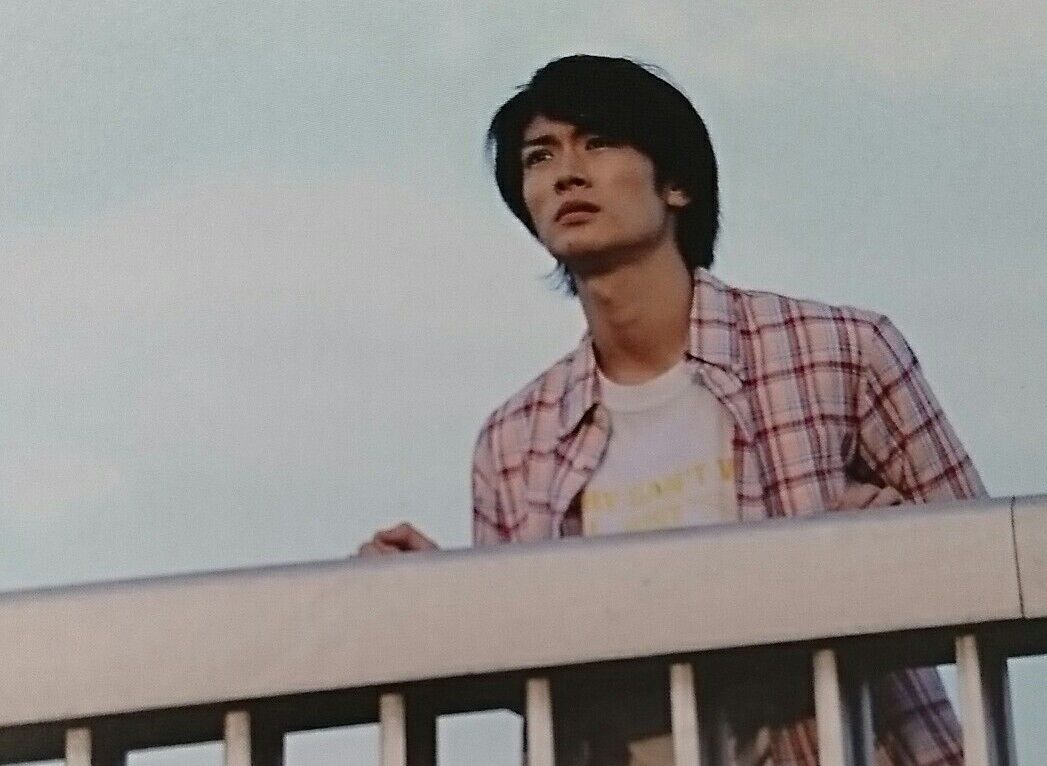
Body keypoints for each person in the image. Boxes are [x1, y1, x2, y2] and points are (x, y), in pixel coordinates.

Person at [359, 55, 985, 766]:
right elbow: (526, 670)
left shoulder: (837, 351)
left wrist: (877, 552)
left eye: (598, 142)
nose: (566, 174)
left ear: (677, 183)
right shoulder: (514, 439)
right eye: (540, 156)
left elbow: (988, 566)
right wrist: (435, 596)